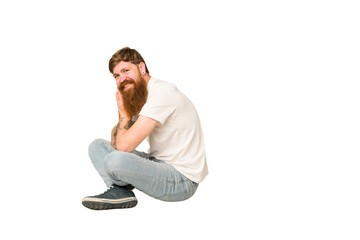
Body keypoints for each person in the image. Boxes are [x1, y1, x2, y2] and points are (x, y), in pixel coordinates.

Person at [82, 47, 208, 210]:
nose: (121, 79)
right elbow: (116, 142)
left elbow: (124, 146)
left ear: (141, 67)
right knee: (97, 147)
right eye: (116, 75)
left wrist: (123, 113)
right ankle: (121, 192)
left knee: (115, 160)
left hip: (182, 179)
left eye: (126, 70)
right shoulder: (141, 94)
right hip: (158, 162)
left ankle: (120, 190)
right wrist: (124, 114)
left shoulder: (161, 93)